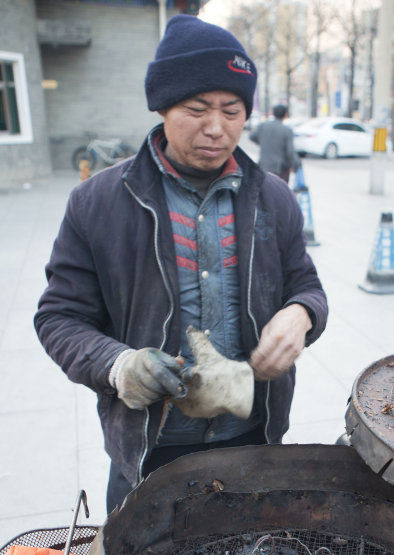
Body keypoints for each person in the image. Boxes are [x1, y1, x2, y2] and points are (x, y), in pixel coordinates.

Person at [34, 15, 328, 513]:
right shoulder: (98, 202)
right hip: (151, 449)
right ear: (164, 105)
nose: (216, 128)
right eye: (196, 109)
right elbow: (58, 318)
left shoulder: (273, 198)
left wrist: (301, 314)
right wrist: (118, 364)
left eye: (232, 111)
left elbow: (307, 284)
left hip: (251, 438)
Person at [249, 103, 301, 183]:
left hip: (263, 166)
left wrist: (262, 142)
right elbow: (290, 152)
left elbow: (252, 137)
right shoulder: (286, 130)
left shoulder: (263, 126)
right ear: (285, 114)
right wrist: (296, 165)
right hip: (281, 169)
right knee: (280, 193)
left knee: (264, 191)